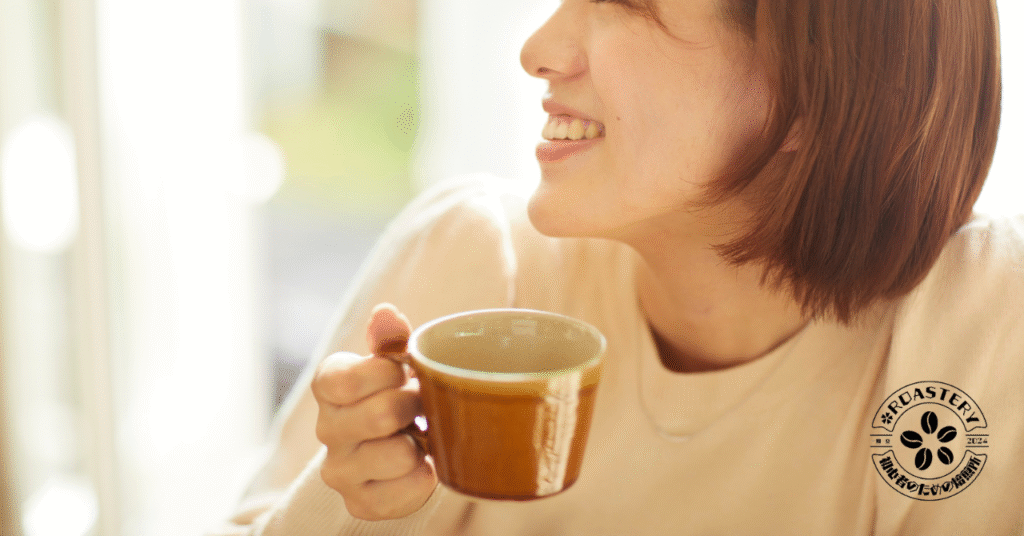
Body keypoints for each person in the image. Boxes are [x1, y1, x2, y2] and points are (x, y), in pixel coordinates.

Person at [212, 0, 1024, 533]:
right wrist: (348, 499)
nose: (538, 49)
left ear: (814, 91)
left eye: (626, 3)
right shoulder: (476, 267)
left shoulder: (983, 326)